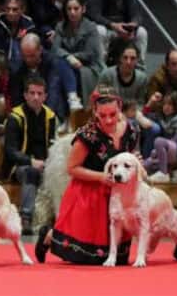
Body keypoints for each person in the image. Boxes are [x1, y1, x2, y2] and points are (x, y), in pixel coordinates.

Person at [35, 85, 139, 264]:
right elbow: (72, 168)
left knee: (119, 259)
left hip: (117, 194)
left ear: (120, 108)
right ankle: (48, 236)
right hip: (89, 193)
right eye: (102, 115)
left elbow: (129, 156)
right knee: (88, 257)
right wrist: (100, 176)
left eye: (113, 115)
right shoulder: (87, 135)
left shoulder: (131, 131)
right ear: (95, 112)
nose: (108, 120)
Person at [4, 76, 56, 234]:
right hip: (19, 166)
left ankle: (56, 219)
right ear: (25, 95)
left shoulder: (50, 116)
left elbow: (52, 144)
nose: (36, 97)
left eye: (39, 93)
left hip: (44, 163)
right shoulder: (15, 116)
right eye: (32, 93)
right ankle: (26, 217)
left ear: (45, 96)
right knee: (31, 172)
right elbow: (10, 151)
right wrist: (31, 161)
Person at [11, 33, 82, 126]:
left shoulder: (52, 63)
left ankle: (72, 97)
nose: (28, 60)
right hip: (28, 113)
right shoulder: (18, 69)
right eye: (25, 56)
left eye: (32, 56)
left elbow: (53, 92)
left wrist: (45, 117)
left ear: (40, 50)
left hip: (50, 111)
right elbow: (17, 97)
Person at [86, 0, 148, 67]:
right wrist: (113, 25)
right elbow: (94, 15)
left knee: (142, 32)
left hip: (123, 29)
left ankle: (139, 66)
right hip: (105, 28)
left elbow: (137, 14)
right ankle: (101, 67)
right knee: (99, 30)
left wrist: (133, 25)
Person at [52, 0, 104, 107]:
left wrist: (72, 57)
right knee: (59, 64)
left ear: (83, 9)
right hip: (67, 64)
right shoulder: (60, 26)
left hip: (88, 67)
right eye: (69, 9)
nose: (72, 12)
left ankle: (71, 101)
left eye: (76, 9)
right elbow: (55, 49)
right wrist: (69, 58)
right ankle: (72, 98)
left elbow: (90, 54)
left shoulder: (91, 27)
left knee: (60, 69)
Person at [143, 91, 177, 183]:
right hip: (167, 152)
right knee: (145, 164)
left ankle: (163, 173)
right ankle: (166, 172)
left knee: (159, 141)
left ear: (176, 106)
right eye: (164, 104)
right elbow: (145, 115)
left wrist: (158, 152)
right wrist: (150, 103)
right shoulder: (163, 118)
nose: (166, 107)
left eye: (170, 104)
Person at [0, 0, 36, 73]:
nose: (10, 13)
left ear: (23, 10)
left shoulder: (29, 26)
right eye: (8, 9)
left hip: (24, 69)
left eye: (15, 9)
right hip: (1, 69)